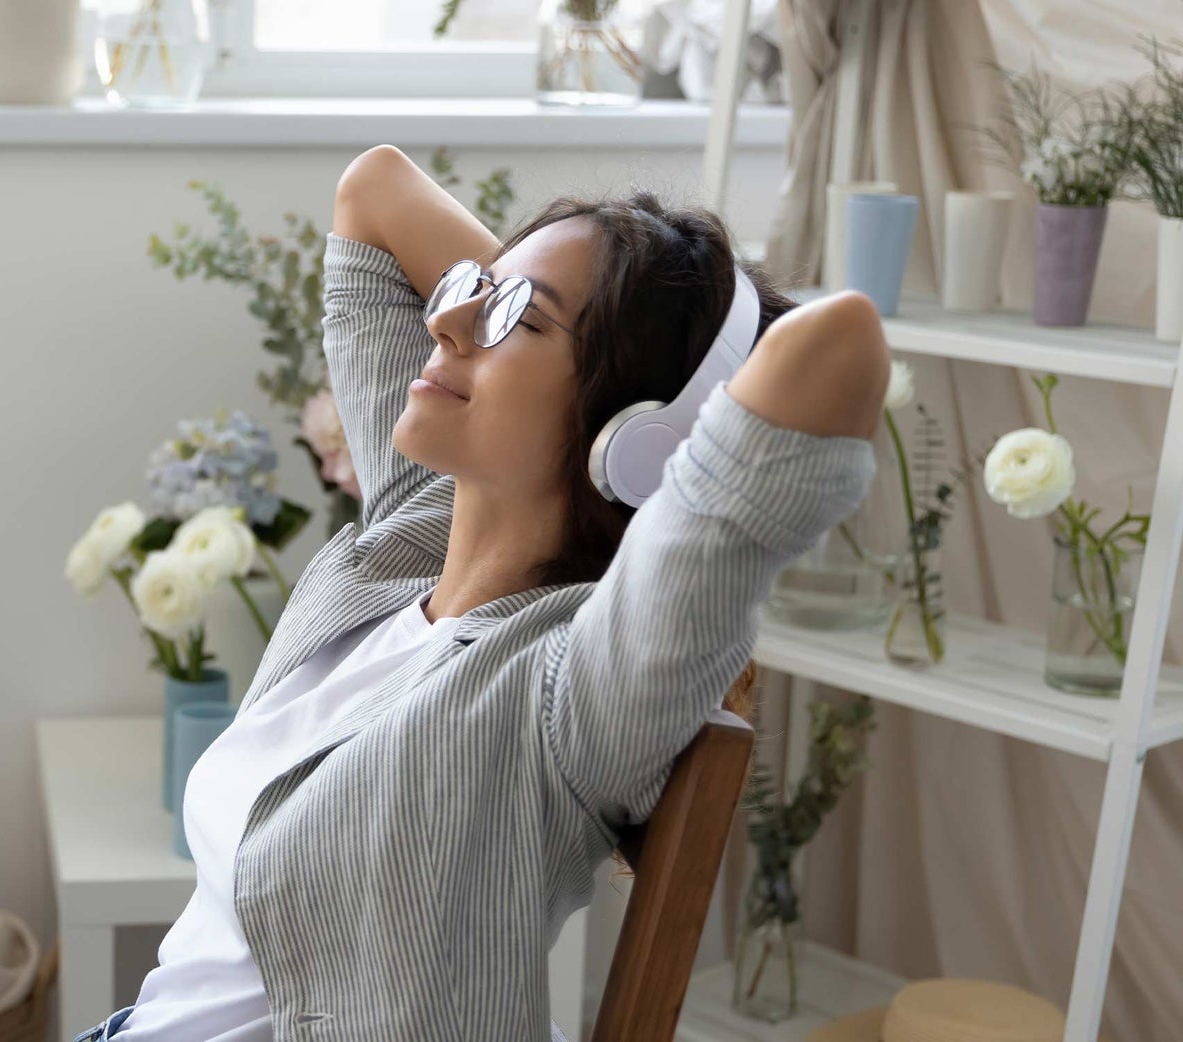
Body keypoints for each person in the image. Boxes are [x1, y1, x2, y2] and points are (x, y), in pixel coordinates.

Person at [78, 146, 888, 1042]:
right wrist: (529, 288)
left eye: (513, 318)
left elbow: (838, 343)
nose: (449, 317)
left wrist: (675, 392)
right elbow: (375, 189)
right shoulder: (407, 544)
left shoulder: (576, 685)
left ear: (637, 435)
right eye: (471, 285)